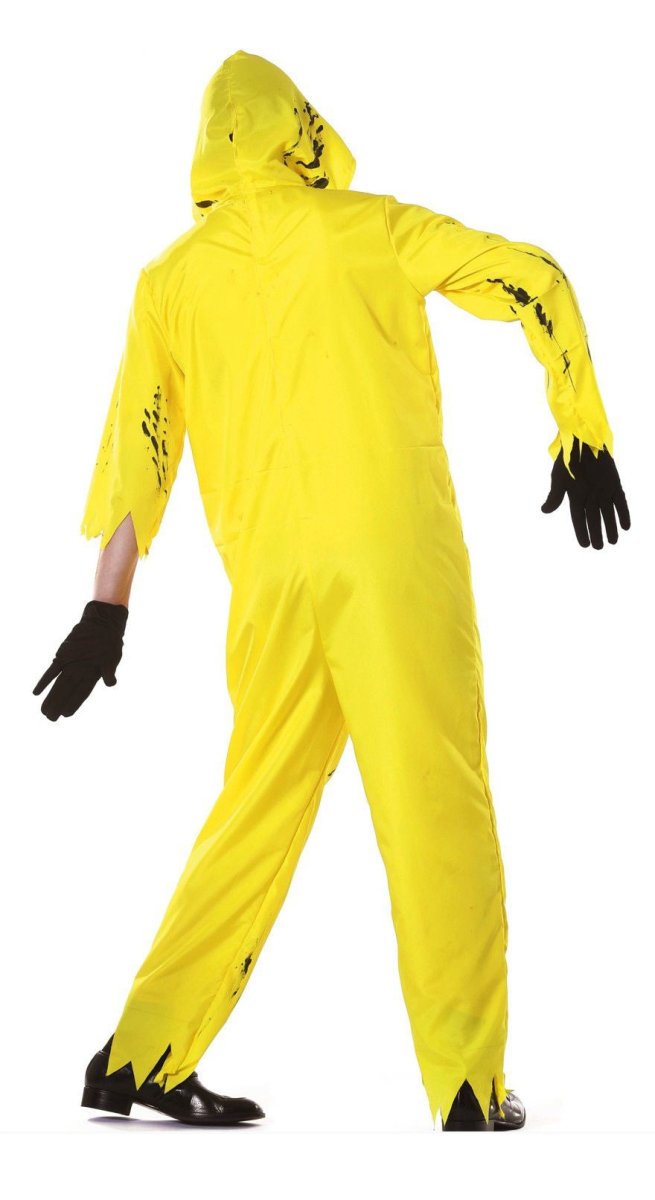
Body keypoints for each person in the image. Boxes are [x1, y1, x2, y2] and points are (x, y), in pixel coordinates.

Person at [32, 48, 631, 1132]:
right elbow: (531, 277)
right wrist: (579, 427)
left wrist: (104, 611)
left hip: (272, 586)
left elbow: (138, 455)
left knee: (253, 809)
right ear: (298, 130)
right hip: (392, 567)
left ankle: (139, 1053)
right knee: (435, 799)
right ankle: (464, 1081)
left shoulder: (170, 281)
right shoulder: (370, 227)